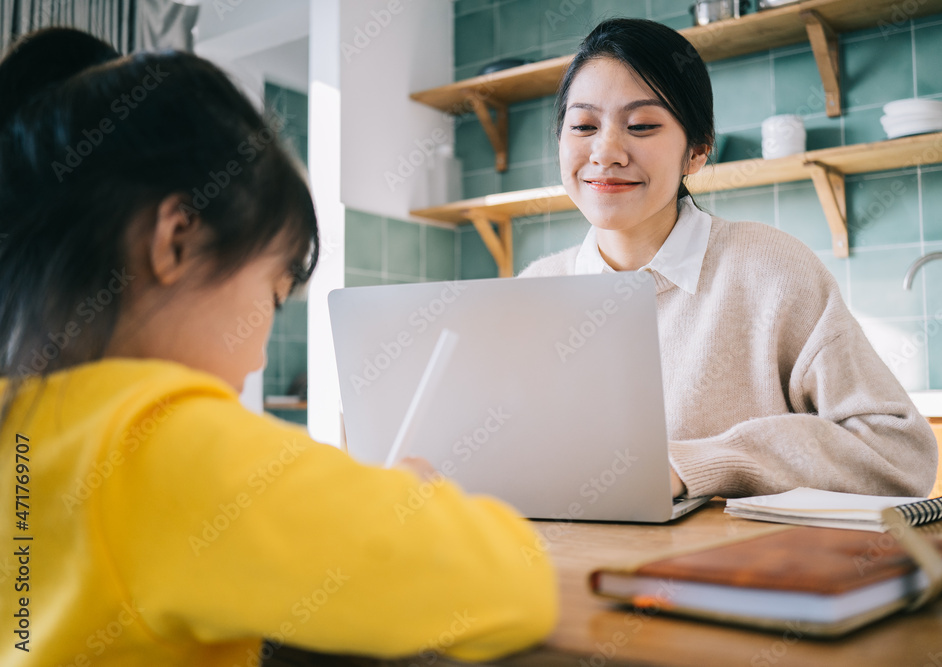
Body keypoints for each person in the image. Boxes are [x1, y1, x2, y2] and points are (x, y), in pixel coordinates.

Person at [0, 28, 555, 666]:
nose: (260, 356)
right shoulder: (153, 442)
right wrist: (407, 500)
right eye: (274, 293)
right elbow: (510, 585)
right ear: (177, 239)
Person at [520, 18, 937, 499]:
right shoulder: (537, 288)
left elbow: (900, 454)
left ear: (696, 153)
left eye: (641, 126)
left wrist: (701, 465)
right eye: (583, 126)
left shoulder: (771, 271)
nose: (606, 151)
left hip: (738, 571)